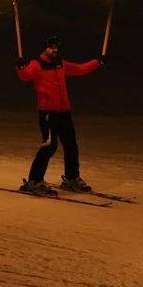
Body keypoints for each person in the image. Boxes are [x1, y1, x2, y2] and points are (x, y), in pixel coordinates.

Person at [15, 36, 104, 195]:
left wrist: (97, 62)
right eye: (51, 47)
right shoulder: (37, 63)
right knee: (50, 145)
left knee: (71, 145)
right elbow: (26, 75)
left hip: (64, 112)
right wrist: (20, 68)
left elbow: (78, 69)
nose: (55, 50)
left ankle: (72, 178)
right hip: (48, 112)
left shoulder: (60, 64)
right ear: (44, 48)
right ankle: (34, 180)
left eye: (56, 47)